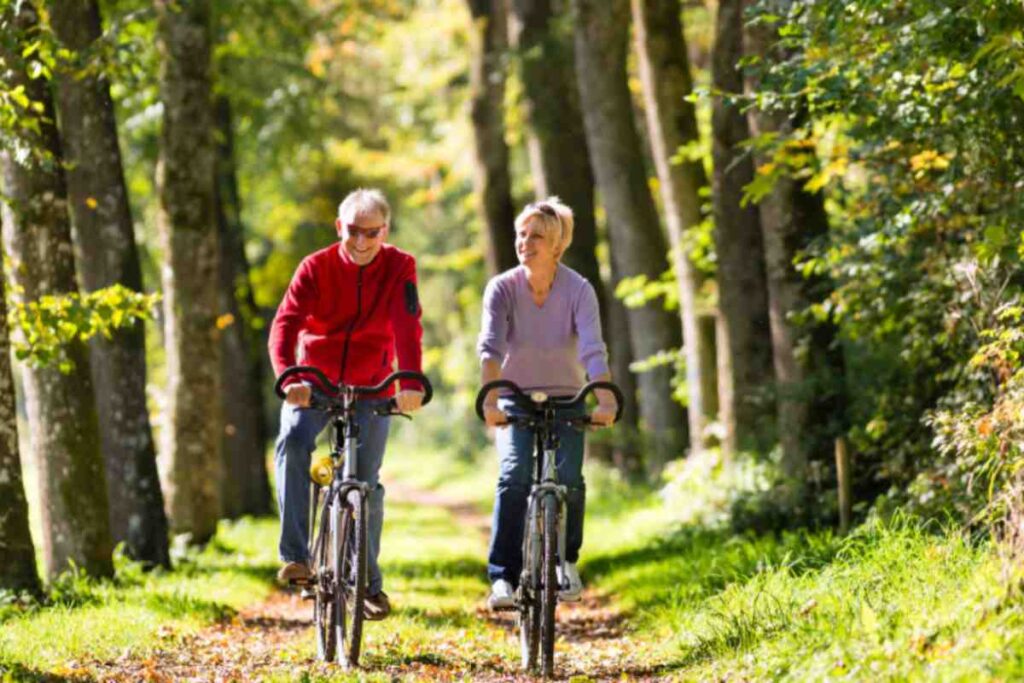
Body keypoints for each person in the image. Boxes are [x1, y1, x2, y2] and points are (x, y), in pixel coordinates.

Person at [268, 188, 425, 621]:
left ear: (385, 231)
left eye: (371, 233)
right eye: (353, 231)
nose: (361, 242)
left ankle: (368, 584)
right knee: (294, 441)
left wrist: (409, 380)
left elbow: (407, 325)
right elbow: (286, 324)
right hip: (312, 380)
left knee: (366, 485)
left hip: (372, 383)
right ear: (340, 227)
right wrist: (290, 375)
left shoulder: (399, 266)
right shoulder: (315, 267)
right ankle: (296, 555)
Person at [477, 197, 617, 610]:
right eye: (521, 234)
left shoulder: (579, 289)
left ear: (557, 246)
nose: (525, 241)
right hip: (515, 400)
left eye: (536, 235)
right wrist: (490, 399)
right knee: (514, 475)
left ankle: (566, 561)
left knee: (570, 480)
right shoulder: (502, 287)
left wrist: (604, 399)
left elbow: (593, 349)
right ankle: (503, 577)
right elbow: (489, 348)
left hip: (568, 397)